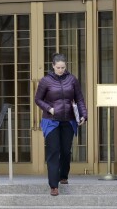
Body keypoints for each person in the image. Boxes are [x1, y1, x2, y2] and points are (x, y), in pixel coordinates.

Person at [34, 53, 88, 196]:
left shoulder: (72, 80)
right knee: (53, 151)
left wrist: (84, 115)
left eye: (63, 67)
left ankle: (63, 175)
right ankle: (53, 185)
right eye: (58, 67)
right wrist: (49, 108)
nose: (60, 70)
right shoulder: (45, 81)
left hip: (68, 120)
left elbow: (79, 99)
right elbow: (38, 100)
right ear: (53, 66)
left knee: (65, 150)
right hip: (51, 121)